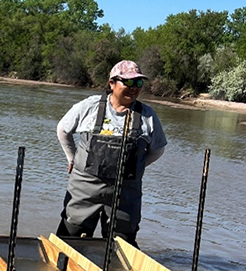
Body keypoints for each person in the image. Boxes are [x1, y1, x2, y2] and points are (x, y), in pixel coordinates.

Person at [55, 60, 166, 246]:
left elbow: (158, 149)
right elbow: (63, 130)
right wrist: (72, 159)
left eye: (139, 83)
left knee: (122, 244)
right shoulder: (90, 106)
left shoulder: (147, 115)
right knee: (71, 236)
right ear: (112, 83)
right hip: (85, 186)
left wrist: (136, 166)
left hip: (125, 191)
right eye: (128, 82)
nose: (134, 88)